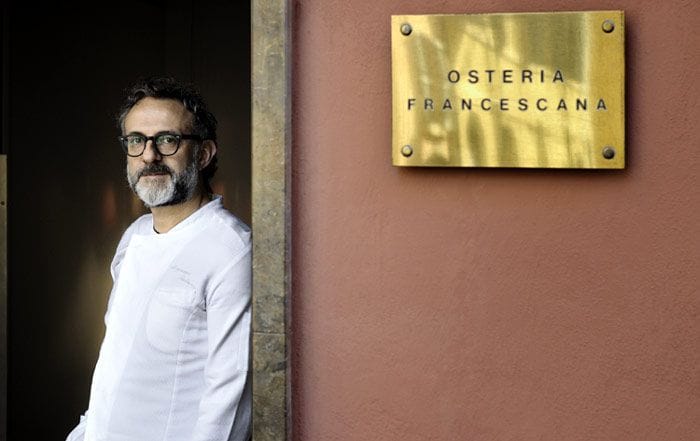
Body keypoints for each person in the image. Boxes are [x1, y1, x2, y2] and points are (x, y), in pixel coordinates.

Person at [66, 76, 251, 441]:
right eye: (136, 141)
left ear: (203, 153)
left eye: (167, 139)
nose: (149, 155)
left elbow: (228, 403)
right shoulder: (133, 237)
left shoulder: (230, 250)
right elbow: (117, 360)